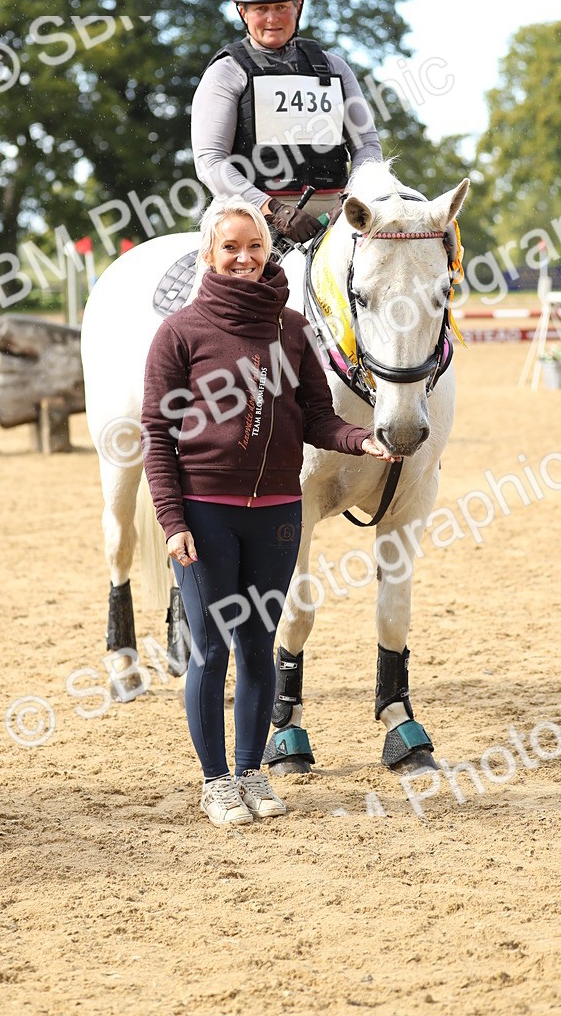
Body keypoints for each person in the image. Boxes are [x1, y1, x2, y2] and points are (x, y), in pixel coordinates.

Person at [141, 196, 399, 828]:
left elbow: (316, 417)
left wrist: (361, 440)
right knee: (210, 648)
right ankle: (216, 781)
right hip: (205, 515)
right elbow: (156, 432)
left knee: (258, 646)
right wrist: (173, 523)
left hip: (279, 515)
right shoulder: (181, 333)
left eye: (254, 246)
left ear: (267, 252)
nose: (244, 257)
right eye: (230, 247)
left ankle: (252, 772)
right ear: (209, 255)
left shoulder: (291, 329)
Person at [191, 0, 384, 245]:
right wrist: (272, 208)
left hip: (336, 210)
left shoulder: (335, 68)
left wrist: (350, 198)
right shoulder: (226, 73)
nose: (272, 18)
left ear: (298, 7)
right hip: (248, 213)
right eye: (261, 9)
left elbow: (367, 147)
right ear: (242, 11)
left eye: (281, 7)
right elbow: (211, 162)